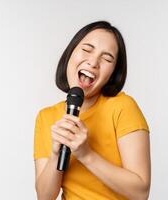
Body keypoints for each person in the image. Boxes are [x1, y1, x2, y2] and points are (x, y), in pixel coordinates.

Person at [33, 21, 151, 200]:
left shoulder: (123, 107)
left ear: (113, 73)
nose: (93, 62)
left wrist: (86, 154)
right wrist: (56, 154)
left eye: (107, 58)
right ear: (70, 54)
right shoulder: (46, 117)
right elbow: (45, 196)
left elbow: (141, 192)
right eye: (87, 50)